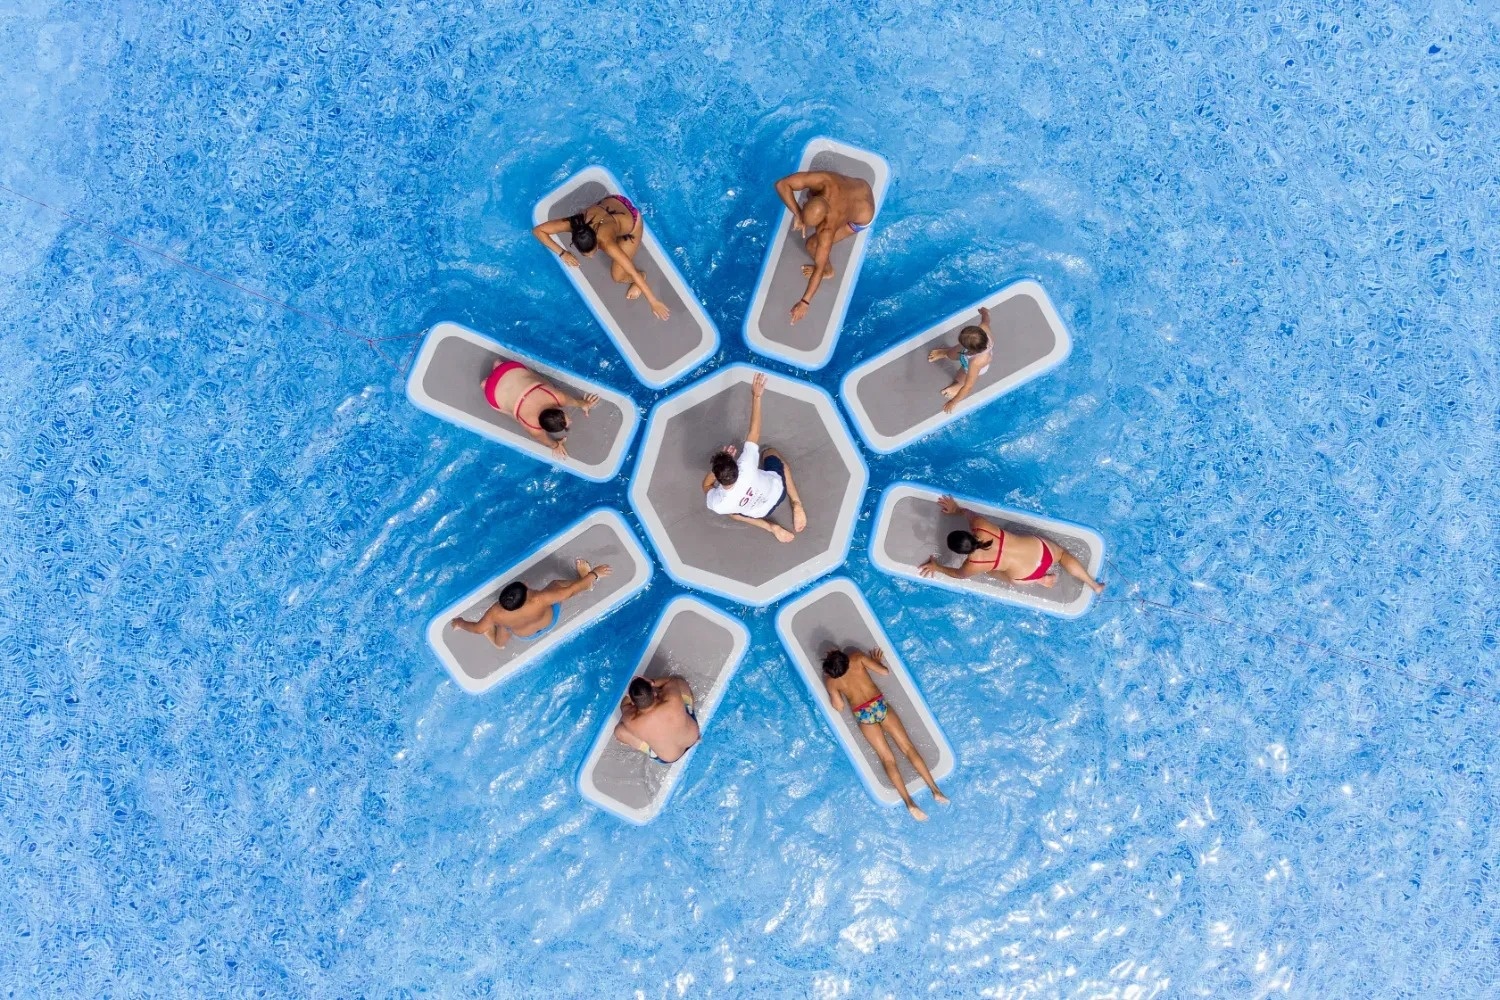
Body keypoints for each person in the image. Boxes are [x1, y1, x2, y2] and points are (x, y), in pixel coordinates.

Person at [822, 646, 949, 821]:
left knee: (887, 759)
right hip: (878, 705)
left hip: (864, 714)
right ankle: (935, 790)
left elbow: (839, 706)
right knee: (908, 748)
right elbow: (884, 672)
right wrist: (876, 661)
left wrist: (832, 690)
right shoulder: (857, 658)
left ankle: (909, 803)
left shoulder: (831, 681)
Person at [918, 495, 1105, 593]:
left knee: (993, 572)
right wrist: (955, 508)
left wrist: (937, 567)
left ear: (962, 552)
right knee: (1062, 555)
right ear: (968, 533)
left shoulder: (973, 564)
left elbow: (958, 575)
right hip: (1042, 551)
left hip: (1026, 575)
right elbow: (967, 512)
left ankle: (1041, 579)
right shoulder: (981, 527)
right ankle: (1093, 584)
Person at [702, 372, 807, 543]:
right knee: (770, 453)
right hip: (778, 492)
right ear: (736, 466)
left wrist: (719, 467)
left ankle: (770, 527)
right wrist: (756, 396)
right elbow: (754, 432)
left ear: (718, 479)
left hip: (759, 512)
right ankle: (796, 503)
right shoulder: (746, 464)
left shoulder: (719, 504)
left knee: (733, 514)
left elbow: (706, 485)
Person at [531, 194, 672, 320]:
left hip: (632, 222)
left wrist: (653, 302)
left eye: (593, 252)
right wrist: (563, 253)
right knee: (611, 231)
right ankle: (615, 230)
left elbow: (632, 271)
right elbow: (538, 231)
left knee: (618, 276)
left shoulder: (608, 244)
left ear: (598, 242)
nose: (591, 257)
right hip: (615, 200)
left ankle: (643, 275)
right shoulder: (575, 224)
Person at [772, 169, 876, 324]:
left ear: (823, 220)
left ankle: (830, 271)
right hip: (862, 186)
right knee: (810, 192)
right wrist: (798, 214)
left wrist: (804, 302)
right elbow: (781, 184)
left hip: (864, 216)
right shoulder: (824, 180)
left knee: (812, 245)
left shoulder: (827, 229)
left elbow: (818, 268)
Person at [449, 559, 611, 648]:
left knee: (502, 630)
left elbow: (477, 629)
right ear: (527, 592)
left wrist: (460, 622)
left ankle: (498, 643)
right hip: (549, 621)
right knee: (557, 585)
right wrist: (594, 574)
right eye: (527, 587)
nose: (527, 584)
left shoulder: (496, 613)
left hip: (525, 635)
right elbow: (571, 591)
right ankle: (586, 583)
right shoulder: (540, 599)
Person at [480, 358, 599, 459]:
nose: (571, 421)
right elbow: (547, 442)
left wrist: (584, 403)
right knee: (516, 415)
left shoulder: (557, 397)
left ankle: (497, 367)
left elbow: (575, 402)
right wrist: (556, 445)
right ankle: (485, 384)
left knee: (544, 385)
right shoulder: (533, 428)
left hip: (506, 369)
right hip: (492, 392)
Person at [612, 675, 700, 764]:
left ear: (633, 702)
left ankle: (650, 750)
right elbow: (670, 680)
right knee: (680, 683)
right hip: (692, 737)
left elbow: (624, 706)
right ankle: (689, 711)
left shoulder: (632, 721)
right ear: (654, 693)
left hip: (671, 756)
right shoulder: (671, 699)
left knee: (619, 731)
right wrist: (652, 682)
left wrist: (629, 695)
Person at [926, 306, 995, 415]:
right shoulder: (983, 328)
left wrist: (953, 402)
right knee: (951, 353)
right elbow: (986, 320)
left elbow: (968, 386)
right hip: (970, 351)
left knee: (961, 376)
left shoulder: (976, 362)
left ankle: (958, 385)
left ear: (970, 350)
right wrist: (984, 313)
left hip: (971, 367)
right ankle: (945, 353)